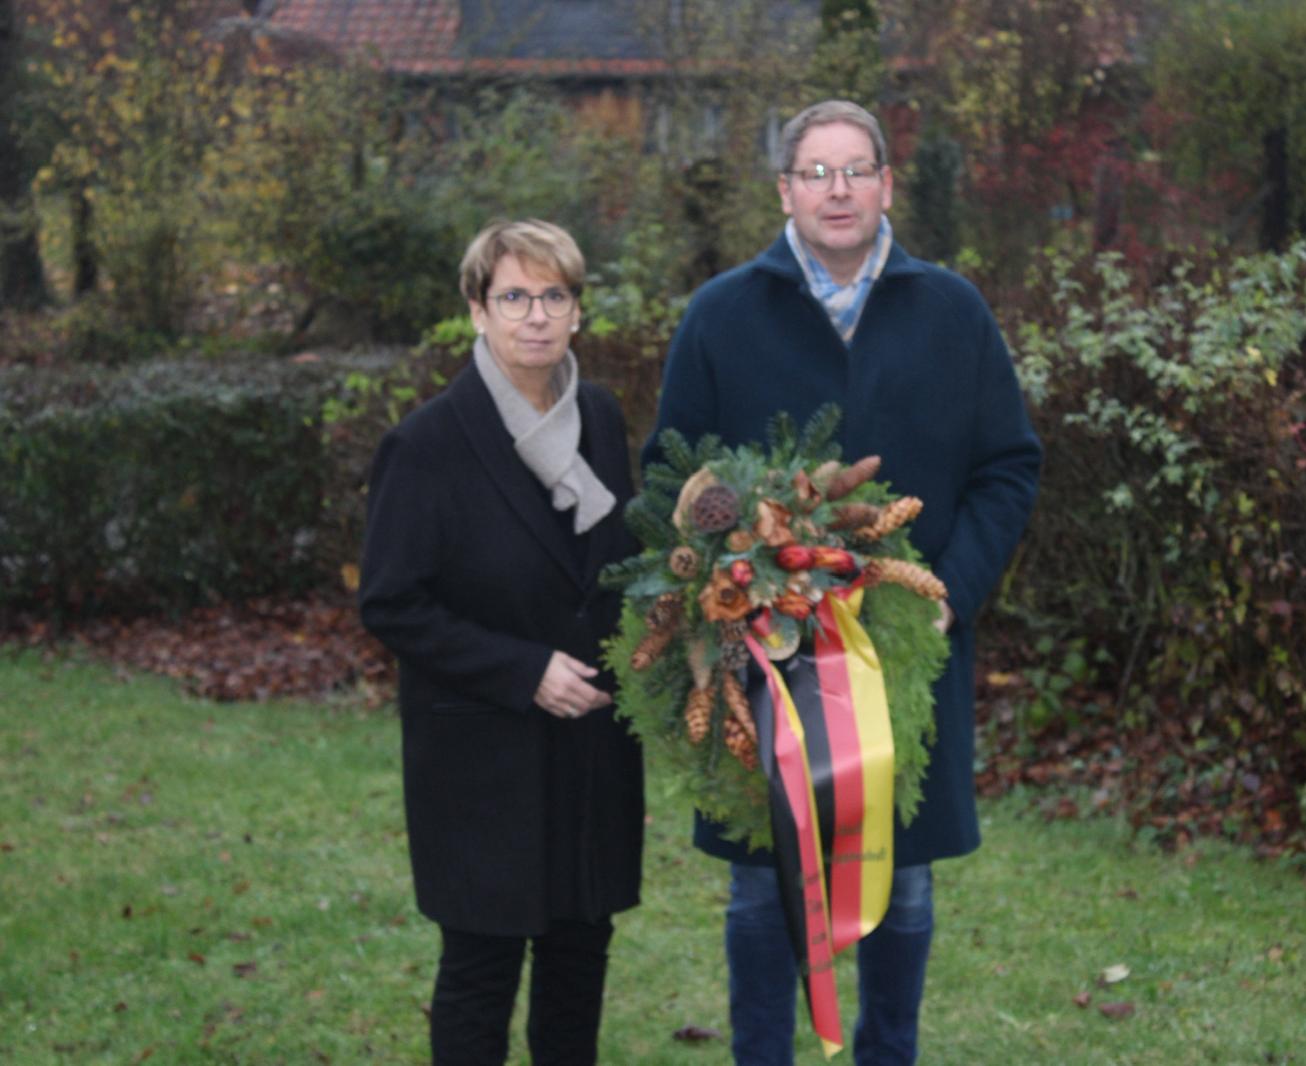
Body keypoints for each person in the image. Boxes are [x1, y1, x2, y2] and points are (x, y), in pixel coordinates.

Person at [645, 100, 1042, 1065]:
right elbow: (669, 475)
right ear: (783, 190)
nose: (838, 190)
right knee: (759, 883)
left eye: (856, 170)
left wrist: (950, 593)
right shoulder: (721, 314)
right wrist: (725, 578)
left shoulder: (952, 311)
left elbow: (1007, 466)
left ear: (886, 185)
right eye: (816, 172)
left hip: (904, 651)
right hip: (763, 658)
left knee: (902, 884)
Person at [359, 219, 644, 1065]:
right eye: (514, 296)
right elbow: (391, 603)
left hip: (590, 743)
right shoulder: (426, 445)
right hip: (484, 755)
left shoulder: (600, 417)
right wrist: (523, 672)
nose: (536, 316)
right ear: (477, 311)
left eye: (554, 295)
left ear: (578, 311)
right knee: (480, 973)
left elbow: (614, 568)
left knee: (579, 959)